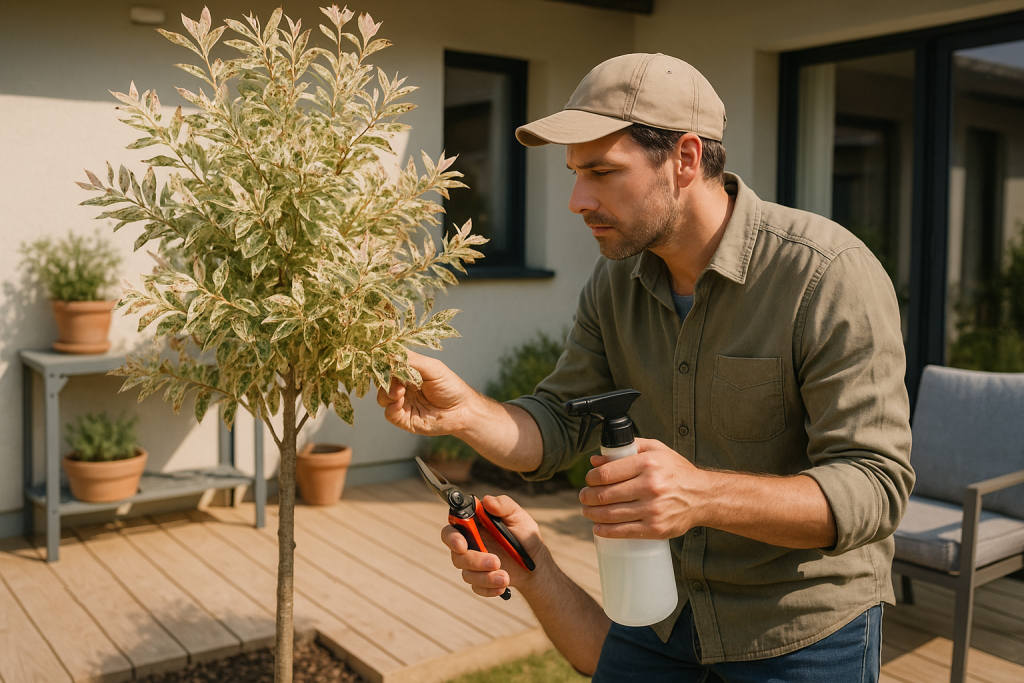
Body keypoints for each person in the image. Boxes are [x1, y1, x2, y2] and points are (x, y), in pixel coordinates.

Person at [378, 52, 914, 682]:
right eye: (577, 173)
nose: (578, 200)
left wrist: (701, 494)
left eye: (603, 172)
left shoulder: (824, 274)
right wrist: (467, 413)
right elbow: (556, 426)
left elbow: (875, 488)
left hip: (801, 629)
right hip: (662, 612)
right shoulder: (615, 283)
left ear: (686, 158)